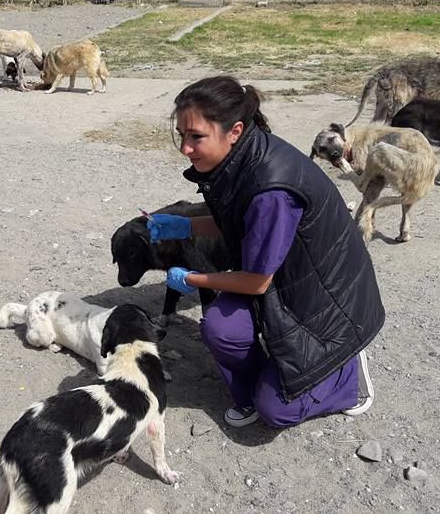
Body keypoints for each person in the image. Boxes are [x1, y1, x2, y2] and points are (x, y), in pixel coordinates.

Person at [147, 76, 384, 429]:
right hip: (285, 275)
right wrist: (186, 225)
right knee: (220, 328)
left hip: (328, 301)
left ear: (234, 130)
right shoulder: (241, 158)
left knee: (279, 412)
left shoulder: (269, 186)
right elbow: (239, 221)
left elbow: (256, 282)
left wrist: (191, 278)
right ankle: (264, 384)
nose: (185, 148)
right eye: (182, 135)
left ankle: (347, 377)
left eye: (196, 136)